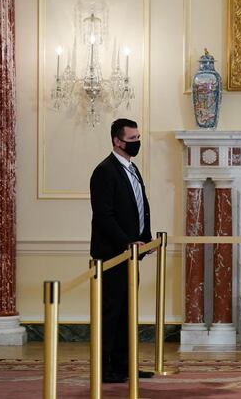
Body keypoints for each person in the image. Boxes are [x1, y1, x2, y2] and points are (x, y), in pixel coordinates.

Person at [90, 118, 154, 383]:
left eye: (138, 137)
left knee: (128, 312)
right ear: (117, 141)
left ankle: (124, 365)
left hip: (131, 253)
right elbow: (104, 215)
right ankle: (104, 369)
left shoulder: (132, 168)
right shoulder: (105, 171)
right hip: (112, 255)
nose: (137, 142)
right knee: (111, 314)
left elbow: (140, 205)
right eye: (132, 139)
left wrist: (145, 239)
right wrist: (127, 242)